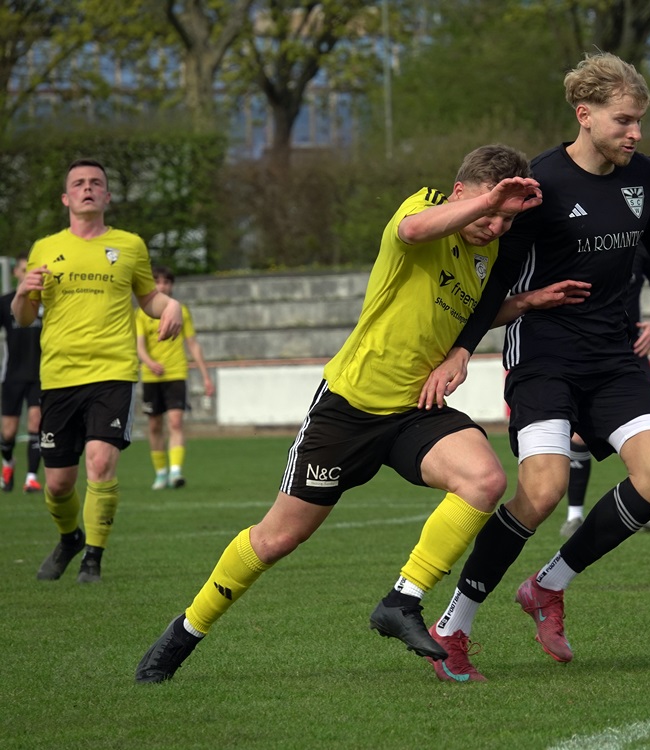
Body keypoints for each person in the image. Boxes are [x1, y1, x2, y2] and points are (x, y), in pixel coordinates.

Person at [134, 144, 591, 683]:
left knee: (484, 480)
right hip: (349, 407)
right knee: (277, 539)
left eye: (506, 220)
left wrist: (526, 303)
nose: (495, 227)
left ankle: (402, 600)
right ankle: (185, 632)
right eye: (489, 212)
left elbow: (469, 313)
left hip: (414, 409)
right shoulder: (425, 206)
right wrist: (489, 203)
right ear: (460, 193)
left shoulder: (485, 253)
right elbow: (413, 232)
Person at [383, 52, 650, 682]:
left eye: (639, 121)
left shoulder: (645, 176)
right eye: (624, 121)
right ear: (585, 115)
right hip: (545, 356)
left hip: (613, 358)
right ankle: (455, 624)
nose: (635, 133)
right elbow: (499, 277)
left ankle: (547, 586)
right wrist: (462, 349)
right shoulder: (538, 184)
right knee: (543, 489)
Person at [13, 158, 183, 584]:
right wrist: (21, 294)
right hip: (59, 375)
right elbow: (24, 316)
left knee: (101, 461)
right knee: (57, 484)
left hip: (113, 371)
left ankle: (93, 557)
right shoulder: (44, 248)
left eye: (95, 183)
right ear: (66, 198)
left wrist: (172, 306)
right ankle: (69, 538)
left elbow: (149, 299)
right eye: (78, 183)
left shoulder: (130, 245)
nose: (87, 188)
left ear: (107, 196)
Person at [562, 244, 650, 537]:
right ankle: (574, 516)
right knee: (578, 436)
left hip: (632, 353)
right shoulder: (580, 241)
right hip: (584, 352)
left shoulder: (638, 243)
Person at [136, 266, 215, 490]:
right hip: (151, 376)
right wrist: (150, 362)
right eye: (157, 282)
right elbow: (139, 346)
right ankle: (160, 473)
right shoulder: (141, 313)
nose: (162, 286)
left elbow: (193, 344)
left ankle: (175, 472)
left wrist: (206, 376)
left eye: (166, 282)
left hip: (176, 373)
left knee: (175, 422)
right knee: (154, 425)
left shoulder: (181, 311)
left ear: (171, 285)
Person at [0, 254, 43, 493]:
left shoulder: (45, 302)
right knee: (8, 432)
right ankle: (8, 463)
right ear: (16, 272)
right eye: (24, 269)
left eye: (31, 269)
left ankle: (31, 477)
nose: (27, 273)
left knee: (37, 422)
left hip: (40, 374)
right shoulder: (5, 302)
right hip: (12, 376)